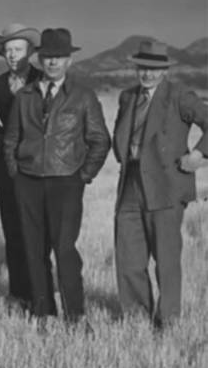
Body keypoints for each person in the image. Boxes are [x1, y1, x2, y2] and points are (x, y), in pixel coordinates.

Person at [3, 28, 110, 323]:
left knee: (64, 252)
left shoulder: (83, 96)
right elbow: (11, 139)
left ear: (69, 61)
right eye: (48, 57)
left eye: (59, 57)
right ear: (40, 59)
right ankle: (43, 313)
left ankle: (75, 316)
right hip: (28, 182)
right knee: (34, 251)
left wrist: (82, 176)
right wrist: (17, 174)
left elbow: (101, 140)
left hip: (66, 183)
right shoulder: (24, 96)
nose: (52, 63)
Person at [112, 40, 208, 330]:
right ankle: (137, 318)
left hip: (166, 187)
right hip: (130, 184)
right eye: (143, 68)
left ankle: (168, 322)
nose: (148, 74)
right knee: (128, 257)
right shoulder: (127, 96)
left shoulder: (180, 96)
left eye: (154, 69)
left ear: (164, 71)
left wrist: (199, 154)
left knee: (166, 259)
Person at [0, 23, 42, 308]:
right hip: (5, 167)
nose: (13, 55)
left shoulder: (44, 81)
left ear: (30, 51)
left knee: (37, 230)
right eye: (8, 51)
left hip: (37, 166)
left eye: (18, 49)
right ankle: (18, 292)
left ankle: (41, 292)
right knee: (12, 228)